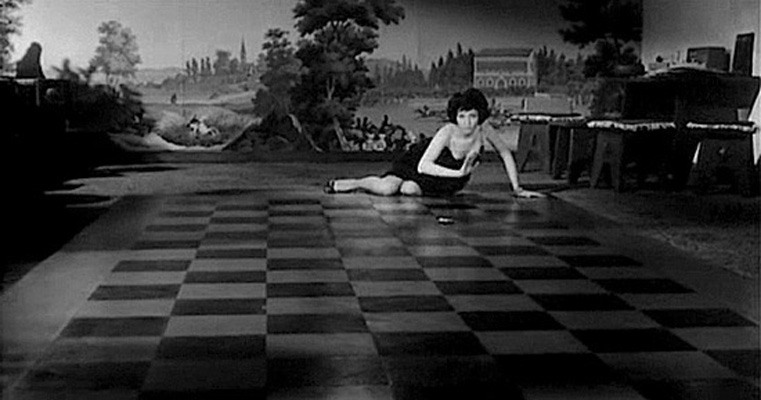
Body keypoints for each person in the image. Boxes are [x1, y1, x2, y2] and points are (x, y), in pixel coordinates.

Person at [324, 88, 545, 198]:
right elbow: (423, 166)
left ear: (479, 116)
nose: (467, 122)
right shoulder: (447, 132)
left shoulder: (484, 129)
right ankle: (353, 183)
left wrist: (517, 188)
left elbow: (505, 153)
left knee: (409, 190)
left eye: (472, 116)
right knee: (389, 188)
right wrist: (459, 173)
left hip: (449, 179)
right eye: (462, 116)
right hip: (419, 162)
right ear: (455, 116)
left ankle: (403, 186)